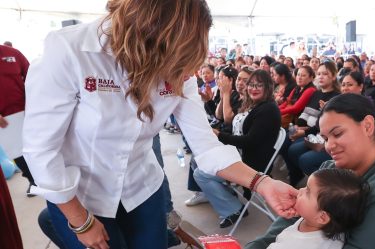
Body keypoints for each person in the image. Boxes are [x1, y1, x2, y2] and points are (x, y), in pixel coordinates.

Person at [22, 1, 298, 249]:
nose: (185, 74)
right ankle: (60, 217)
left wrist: (262, 183)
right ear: (150, 38)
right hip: (81, 195)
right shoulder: (70, 51)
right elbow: (41, 150)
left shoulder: (180, 70)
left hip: (142, 188)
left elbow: (206, 146)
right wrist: (80, 222)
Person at [245, 94, 375, 249]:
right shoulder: (332, 169)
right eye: (325, 138)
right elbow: (291, 221)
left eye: (337, 134)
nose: (329, 146)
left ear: (368, 126)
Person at [194, 69, 281, 228]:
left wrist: (219, 135)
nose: (253, 88)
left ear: (268, 87)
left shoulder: (268, 109)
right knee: (198, 158)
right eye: (251, 85)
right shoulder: (254, 104)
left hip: (250, 163)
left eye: (259, 85)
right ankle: (228, 197)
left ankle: (233, 209)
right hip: (239, 153)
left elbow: (249, 141)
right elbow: (228, 122)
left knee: (201, 172)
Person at [267, 168, 370, 249]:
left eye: (307, 191)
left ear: (322, 217)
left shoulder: (303, 245)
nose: (301, 190)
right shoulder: (317, 220)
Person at [0, 44, 36, 196]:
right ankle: (32, 181)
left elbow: (32, 78)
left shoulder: (12, 53)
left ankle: (43, 181)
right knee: (19, 155)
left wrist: (35, 103)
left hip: (28, 112)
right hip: (4, 122)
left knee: (38, 149)